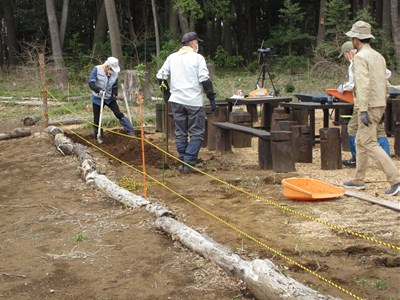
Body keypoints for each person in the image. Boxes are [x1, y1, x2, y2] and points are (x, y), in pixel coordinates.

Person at [342, 21, 400, 196]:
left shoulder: (360, 57)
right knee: (360, 141)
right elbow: (384, 83)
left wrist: (364, 109)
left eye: (352, 37)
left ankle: (396, 179)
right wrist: (381, 105)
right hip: (378, 103)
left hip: (368, 105)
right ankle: (358, 180)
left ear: (356, 39)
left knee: (369, 142)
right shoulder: (378, 56)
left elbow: (363, 84)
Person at [156, 32, 216, 174]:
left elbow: (161, 76)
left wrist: (166, 94)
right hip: (193, 101)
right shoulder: (197, 58)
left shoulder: (172, 57)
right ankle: (188, 162)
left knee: (181, 132)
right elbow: (204, 79)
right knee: (197, 133)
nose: (198, 45)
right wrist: (211, 97)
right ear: (193, 43)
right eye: (197, 43)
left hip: (176, 101)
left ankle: (183, 161)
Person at [337, 41, 390, 168]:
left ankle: (356, 160)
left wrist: (344, 87)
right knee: (379, 129)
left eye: (344, 54)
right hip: (380, 99)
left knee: (353, 129)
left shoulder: (356, 60)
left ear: (348, 52)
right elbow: (387, 73)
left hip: (364, 101)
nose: (345, 57)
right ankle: (386, 160)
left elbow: (357, 83)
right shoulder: (374, 57)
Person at [88, 57, 135, 141]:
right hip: (98, 97)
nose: (113, 71)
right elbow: (91, 83)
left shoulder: (115, 74)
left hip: (109, 97)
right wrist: (98, 90)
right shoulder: (97, 69)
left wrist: (114, 94)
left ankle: (130, 131)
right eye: (111, 69)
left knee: (118, 113)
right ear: (107, 66)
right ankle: (98, 135)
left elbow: (115, 86)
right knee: (97, 118)